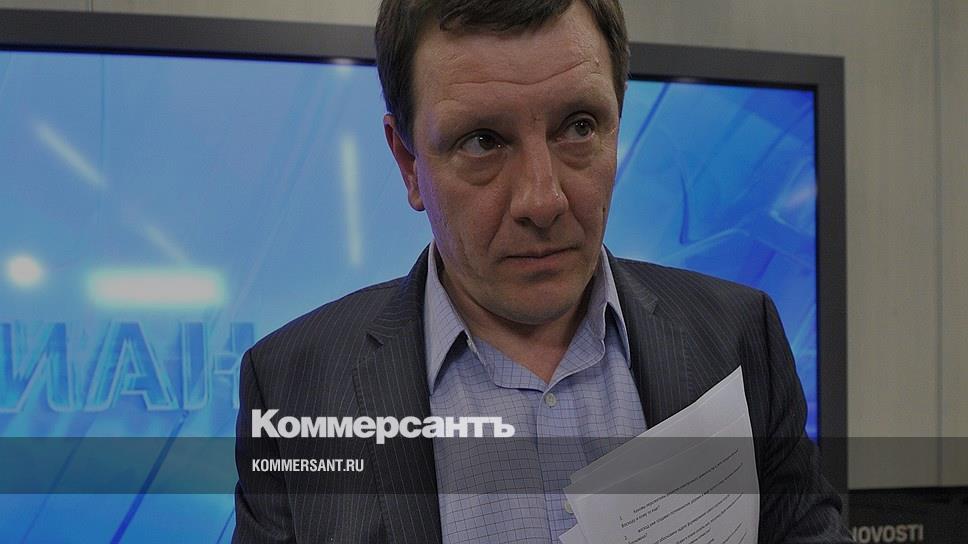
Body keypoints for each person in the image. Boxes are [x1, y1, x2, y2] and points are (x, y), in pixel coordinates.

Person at [233, 1, 851, 542]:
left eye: (579, 127)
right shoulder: (293, 386)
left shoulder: (740, 338)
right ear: (408, 163)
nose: (543, 200)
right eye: (483, 140)